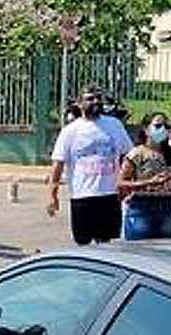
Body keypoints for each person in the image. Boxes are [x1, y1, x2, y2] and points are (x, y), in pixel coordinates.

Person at [47, 86, 133, 245]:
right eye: (90, 99)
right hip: (83, 196)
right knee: (83, 244)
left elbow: (128, 157)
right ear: (79, 104)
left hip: (109, 195)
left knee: (108, 245)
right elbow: (58, 163)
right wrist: (53, 195)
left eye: (98, 98)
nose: (96, 102)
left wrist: (126, 184)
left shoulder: (114, 125)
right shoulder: (70, 131)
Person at [118, 112, 171, 240]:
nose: (163, 130)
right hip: (142, 206)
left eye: (166, 127)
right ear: (146, 129)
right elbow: (121, 182)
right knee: (139, 249)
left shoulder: (170, 153)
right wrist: (150, 182)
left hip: (165, 205)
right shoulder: (137, 153)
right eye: (158, 126)